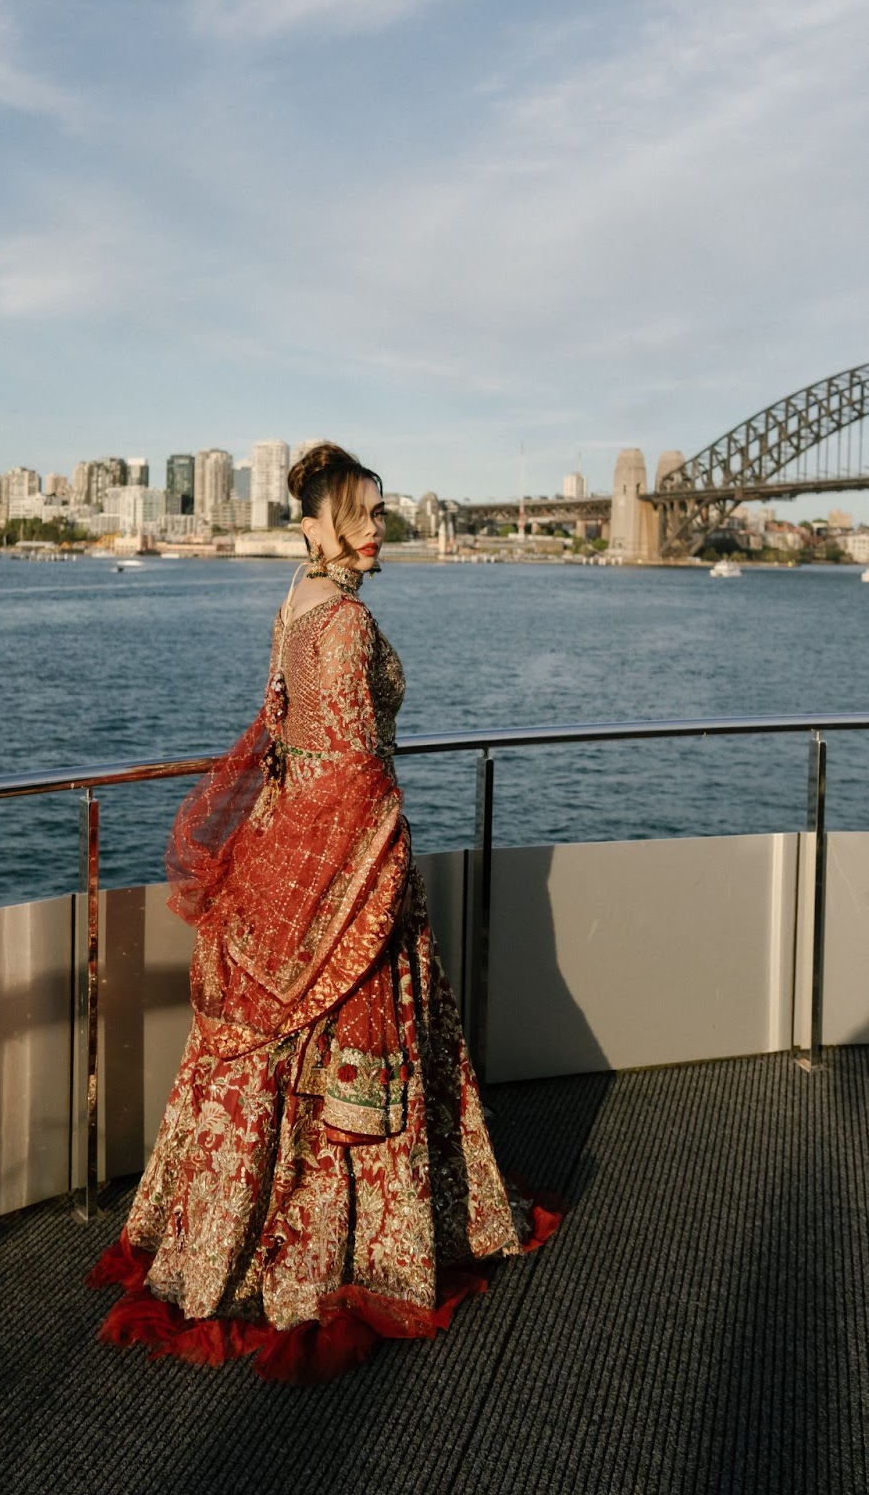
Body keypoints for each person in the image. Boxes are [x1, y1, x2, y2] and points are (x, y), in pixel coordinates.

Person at [87, 443, 559, 1383]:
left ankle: (225, 1231)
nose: (379, 527)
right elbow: (349, 769)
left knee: (258, 1055)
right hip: (347, 858)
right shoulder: (341, 621)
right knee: (344, 1039)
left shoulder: (294, 605)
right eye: (363, 513)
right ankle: (342, 1251)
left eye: (381, 511)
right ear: (316, 521)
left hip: (285, 848)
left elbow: (287, 742)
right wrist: (370, 878)